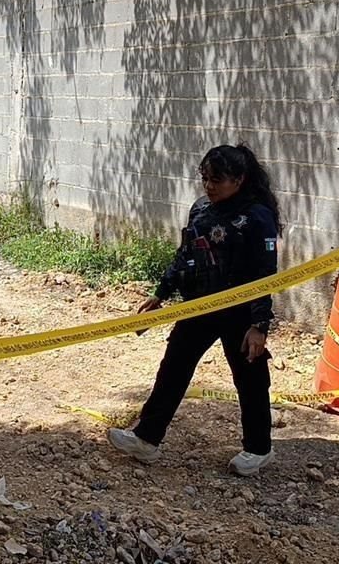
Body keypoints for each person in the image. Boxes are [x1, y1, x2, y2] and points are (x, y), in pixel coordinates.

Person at [108, 143, 281, 477]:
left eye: (217, 179)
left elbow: (265, 273)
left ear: (240, 179)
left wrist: (259, 325)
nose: (209, 186)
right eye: (205, 178)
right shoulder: (201, 209)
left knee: (250, 379)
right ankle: (146, 439)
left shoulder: (257, 218)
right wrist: (161, 293)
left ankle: (259, 449)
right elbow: (185, 254)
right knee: (173, 368)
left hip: (240, 313)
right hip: (198, 307)